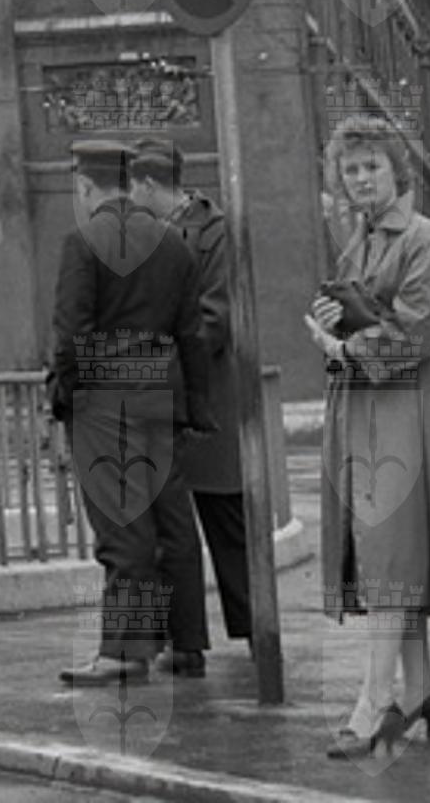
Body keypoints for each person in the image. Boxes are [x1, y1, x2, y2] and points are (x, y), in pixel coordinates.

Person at [306, 117, 430, 758]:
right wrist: (334, 322)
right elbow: (372, 322)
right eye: (350, 169)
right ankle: (419, 686)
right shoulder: (364, 242)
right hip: (377, 413)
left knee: (390, 557)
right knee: (391, 557)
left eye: (371, 166)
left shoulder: (426, 241)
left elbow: (412, 332)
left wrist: (340, 345)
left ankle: (374, 702)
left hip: (408, 417)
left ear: (397, 171)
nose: (360, 178)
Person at [51, 136, 215, 686]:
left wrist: (65, 394)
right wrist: (195, 407)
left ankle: (126, 651)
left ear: (85, 186)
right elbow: (192, 336)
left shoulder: (83, 242)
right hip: (161, 399)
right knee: (172, 523)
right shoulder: (174, 245)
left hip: (104, 402)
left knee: (123, 529)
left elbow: (71, 336)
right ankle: (187, 642)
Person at [130, 138, 250, 672]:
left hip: (207, 400)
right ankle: (182, 644)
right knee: (164, 532)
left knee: (227, 523)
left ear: (149, 184)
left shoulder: (215, 232)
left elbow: (215, 319)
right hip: (159, 407)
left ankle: (257, 634)